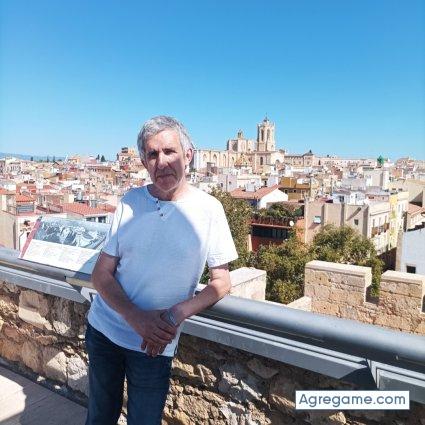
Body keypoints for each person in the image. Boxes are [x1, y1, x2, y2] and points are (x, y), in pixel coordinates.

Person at [85, 116, 238, 425]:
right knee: (100, 417)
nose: (162, 162)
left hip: (155, 343)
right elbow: (101, 274)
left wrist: (175, 315)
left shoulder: (210, 210)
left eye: (170, 151)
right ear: (144, 162)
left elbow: (221, 282)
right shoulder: (130, 202)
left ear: (188, 155)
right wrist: (135, 317)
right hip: (105, 331)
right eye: (153, 154)